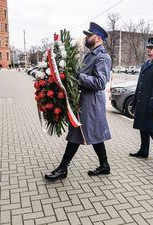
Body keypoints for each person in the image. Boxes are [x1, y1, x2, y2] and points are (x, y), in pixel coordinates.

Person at [45, 22, 112, 181]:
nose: (87, 37)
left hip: (91, 103)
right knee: (94, 134)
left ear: (98, 38)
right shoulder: (90, 54)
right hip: (84, 100)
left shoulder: (103, 56)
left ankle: (63, 169)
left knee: (76, 133)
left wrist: (77, 76)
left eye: (89, 35)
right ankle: (104, 165)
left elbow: (100, 83)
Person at [129, 37, 153, 159]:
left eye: (152, 48)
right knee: (142, 126)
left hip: (150, 102)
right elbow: (140, 84)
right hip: (142, 101)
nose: (149, 50)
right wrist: (135, 101)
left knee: (151, 127)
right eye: (148, 48)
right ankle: (143, 150)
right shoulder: (146, 64)